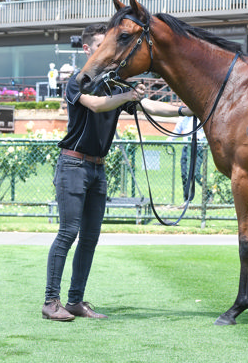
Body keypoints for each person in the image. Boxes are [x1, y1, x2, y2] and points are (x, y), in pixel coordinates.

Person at [42, 24, 193, 321]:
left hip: (97, 168)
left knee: (90, 238)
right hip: (72, 164)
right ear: (88, 50)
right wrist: (128, 96)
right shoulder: (77, 81)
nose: (108, 52)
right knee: (68, 232)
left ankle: (75, 301)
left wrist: (185, 111)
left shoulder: (114, 84)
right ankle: (50, 302)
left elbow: (146, 103)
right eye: (101, 46)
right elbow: (97, 105)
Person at [169, 115, 207, 203]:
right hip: (186, 148)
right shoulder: (183, 117)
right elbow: (177, 131)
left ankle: (208, 192)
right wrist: (169, 140)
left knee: (196, 174)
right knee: (184, 174)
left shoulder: (200, 116)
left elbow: (206, 132)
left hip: (198, 148)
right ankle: (187, 199)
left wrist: (200, 138)